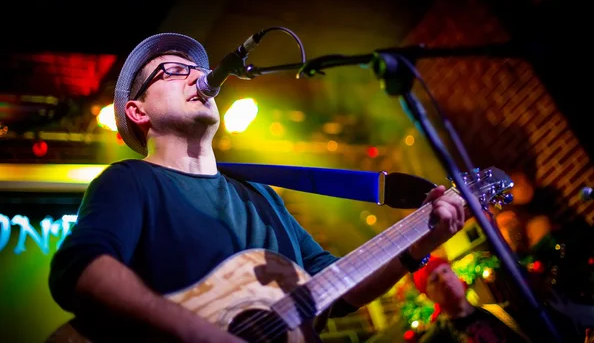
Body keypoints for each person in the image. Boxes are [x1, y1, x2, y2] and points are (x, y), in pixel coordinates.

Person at [47, 32, 466, 343]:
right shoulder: (130, 181)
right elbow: (80, 269)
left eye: (198, 68)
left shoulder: (262, 196)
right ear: (138, 111)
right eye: (174, 70)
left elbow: (334, 291)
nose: (200, 76)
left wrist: (418, 243)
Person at [412, 256, 532, 343]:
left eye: (445, 271)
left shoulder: (501, 312)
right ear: (428, 296)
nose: (444, 279)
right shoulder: (436, 339)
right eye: (434, 279)